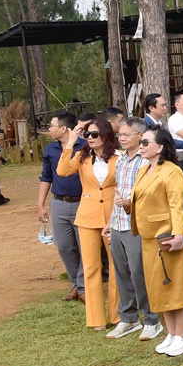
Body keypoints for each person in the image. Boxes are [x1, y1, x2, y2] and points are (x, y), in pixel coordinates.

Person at [128, 127, 183, 356]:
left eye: (146, 142)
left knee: (175, 284)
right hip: (149, 237)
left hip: (168, 235)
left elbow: (177, 205)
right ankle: (173, 332)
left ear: (161, 146)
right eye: (141, 142)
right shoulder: (144, 169)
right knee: (159, 286)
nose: (142, 146)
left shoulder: (172, 171)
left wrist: (178, 235)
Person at [56, 117, 122, 330]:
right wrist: (70, 142)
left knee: (116, 266)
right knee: (91, 267)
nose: (90, 138)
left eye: (94, 134)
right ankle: (95, 319)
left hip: (113, 217)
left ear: (106, 135)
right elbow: (62, 171)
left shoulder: (119, 158)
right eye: (87, 134)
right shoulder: (81, 157)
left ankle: (117, 315)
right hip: (87, 216)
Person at [103, 118, 162, 341]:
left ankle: (151, 319)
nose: (122, 138)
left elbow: (151, 196)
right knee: (122, 273)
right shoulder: (120, 160)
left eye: (126, 135)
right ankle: (128, 319)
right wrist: (110, 221)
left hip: (137, 225)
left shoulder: (146, 161)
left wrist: (129, 205)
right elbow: (117, 192)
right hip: (118, 223)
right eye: (120, 135)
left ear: (140, 135)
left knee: (140, 273)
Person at [38, 111, 86, 301]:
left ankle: (82, 287)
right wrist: (40, 205)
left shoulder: (86, 147)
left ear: (64, 128)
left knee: (86, 247)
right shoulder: (50, 149)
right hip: (59, 203)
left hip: (84, 202)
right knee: (64, 246)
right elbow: (46, 177)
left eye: (51, 125)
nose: (49, 129)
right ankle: (76, 283)